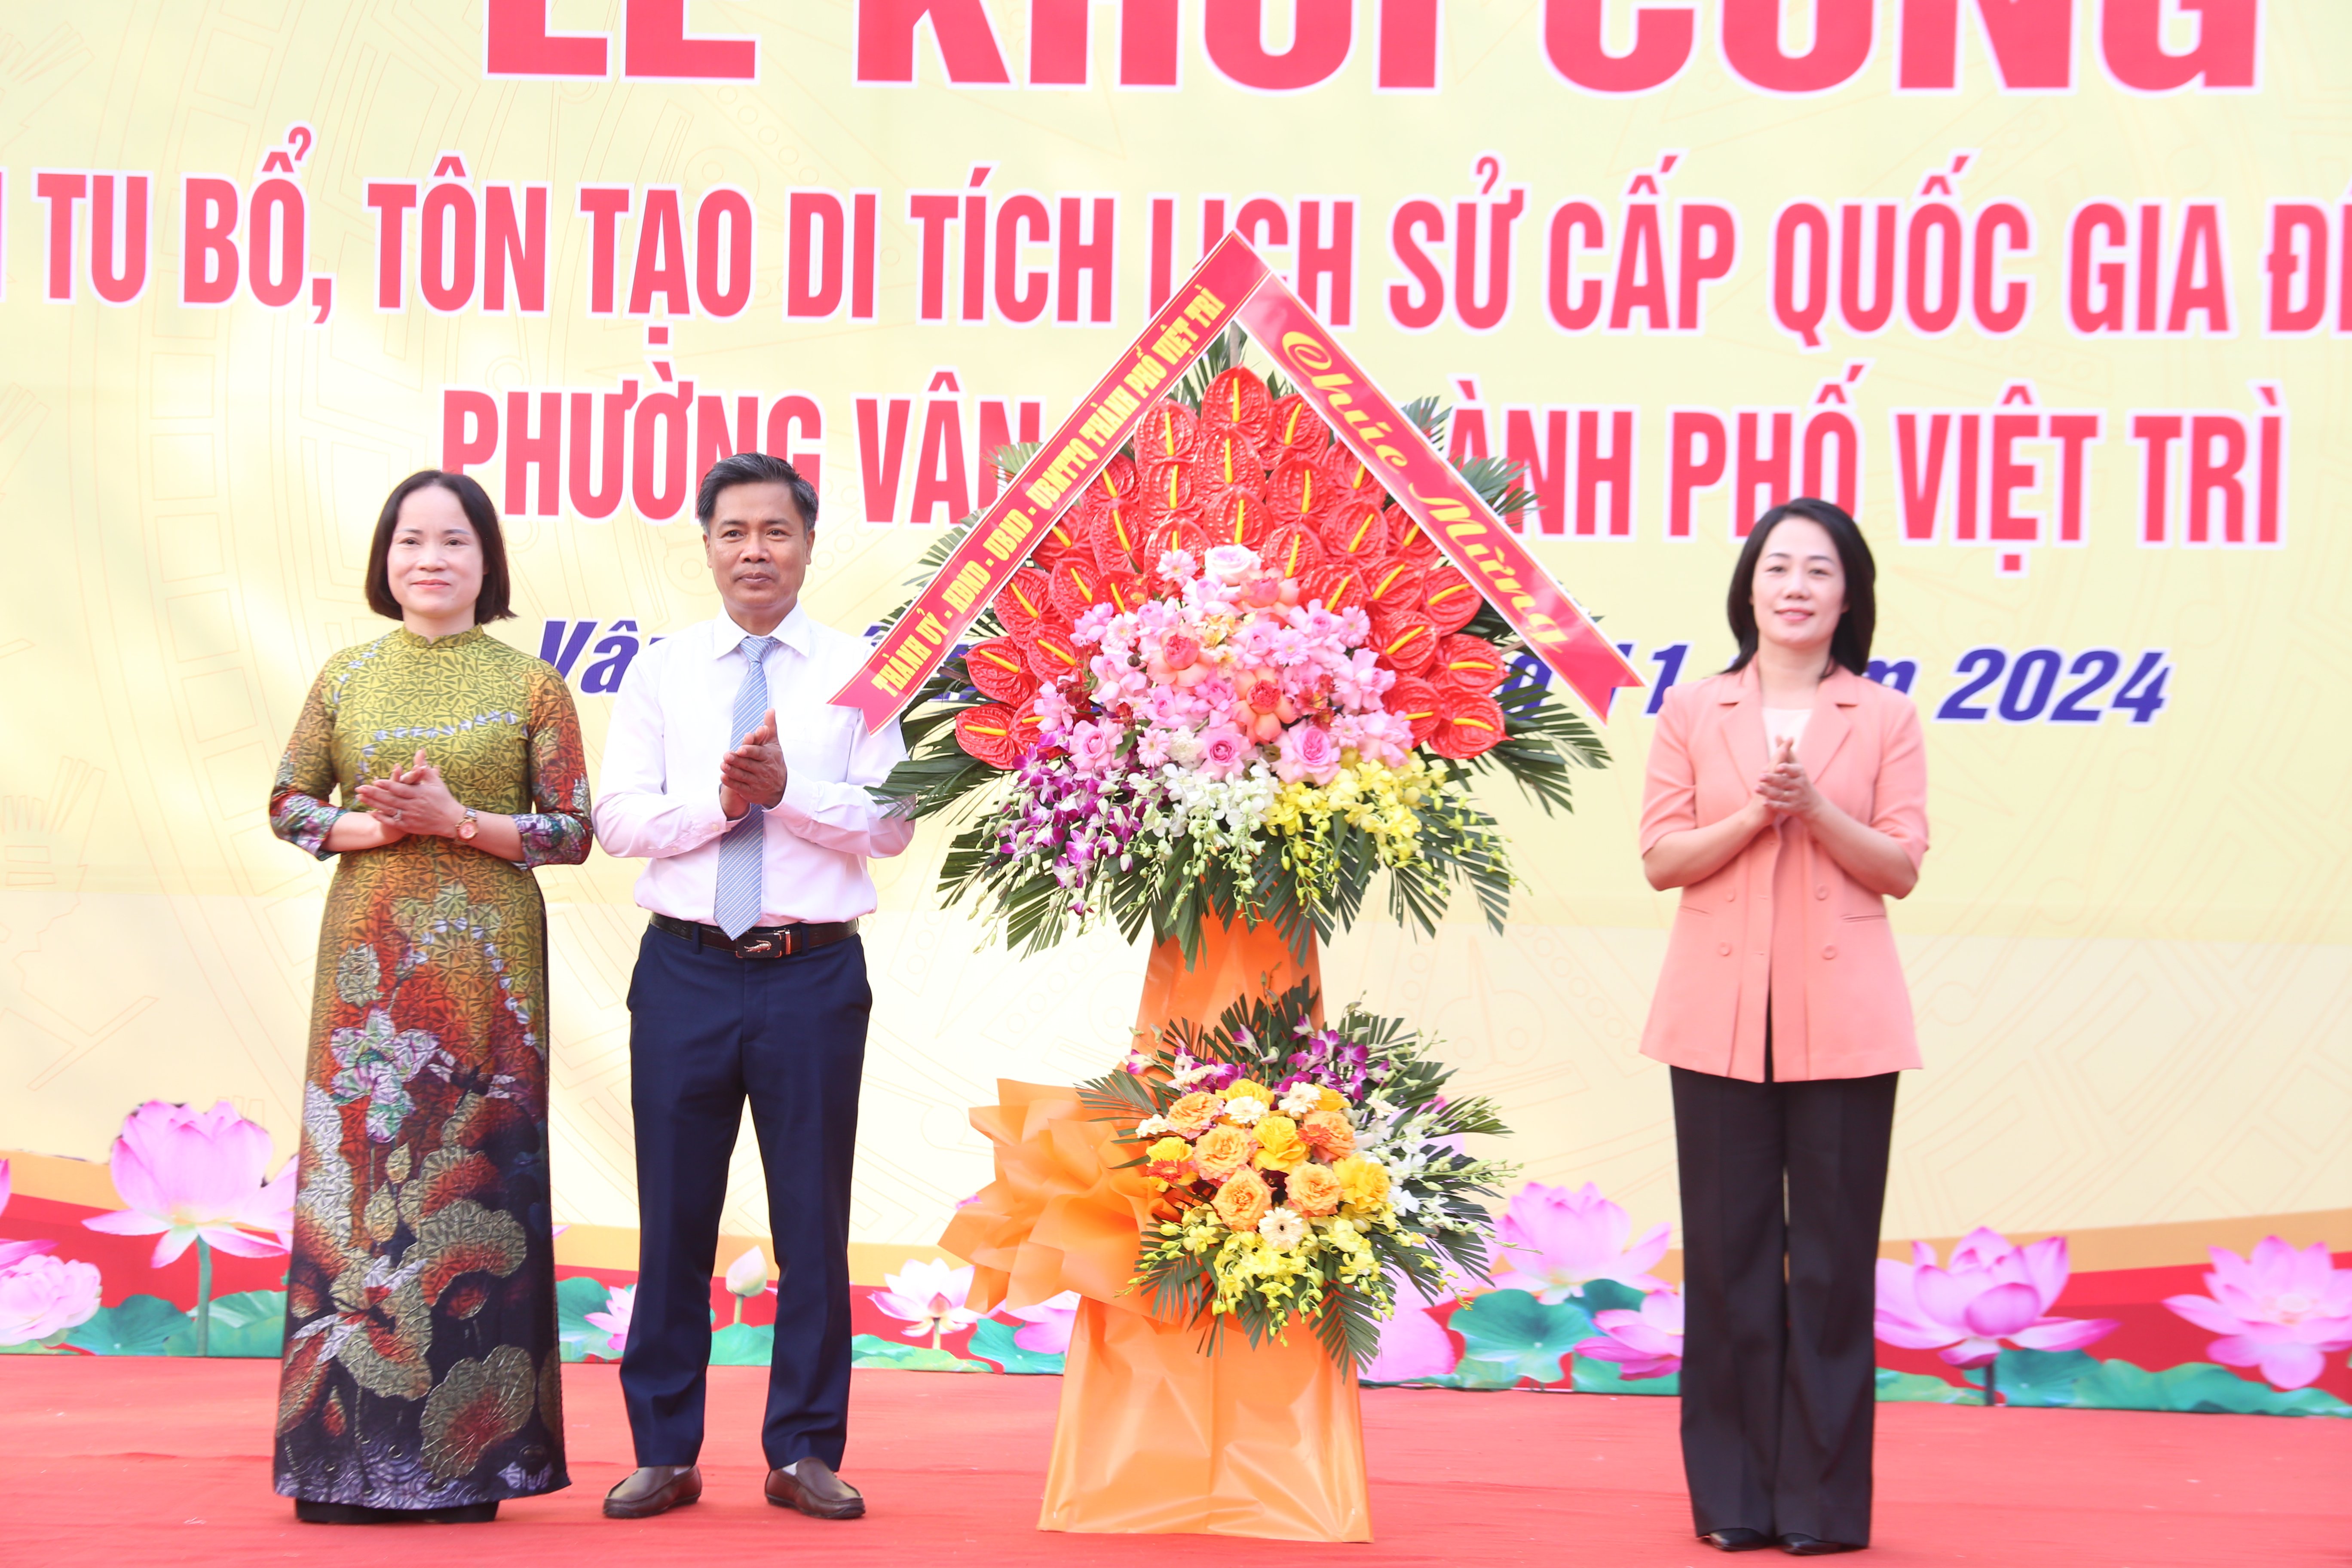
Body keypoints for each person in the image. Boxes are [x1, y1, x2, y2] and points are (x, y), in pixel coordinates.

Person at [591, 451, 913, 1523]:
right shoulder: (663, 670)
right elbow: (620, 820)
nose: (755, 552)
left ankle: (805, 1451)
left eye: (777, 532)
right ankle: (664, 1451)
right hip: (683, 970)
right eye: (734, 532)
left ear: (811, 545)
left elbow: (892, 823)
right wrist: (725, 810)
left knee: (812, 1222)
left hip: (811, 972)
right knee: (673, 1218)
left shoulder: (862, 671)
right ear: (708, 546)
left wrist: (792, 793)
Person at [268, 470, 592, 1523]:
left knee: (475, 1190)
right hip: (369, 967)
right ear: (386, 559)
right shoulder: (346, 675)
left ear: (487, 562)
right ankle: (338, 1465)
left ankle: (472, 1467)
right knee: (362, 1190)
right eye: (411, 541)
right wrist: (380, 828)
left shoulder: (535, 684)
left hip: (487, 974)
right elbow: (287, 803)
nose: (432, 560)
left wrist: (456, 819)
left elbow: (571, 832)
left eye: (454, 541)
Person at [1636, 498, 1928, 1557]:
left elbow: (1899, 866)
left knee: (1838, 1269)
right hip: (1716, 1023)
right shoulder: (1695, 709)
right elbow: (1663, 857)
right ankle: (1735, 1502)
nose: (1796, 587)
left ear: (1850, 597)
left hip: (1847, 1027)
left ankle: (1820, 1511)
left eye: (1819, 571)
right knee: (1727, 1265)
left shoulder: (1884, 717)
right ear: (1748, 589)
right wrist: (1757, 813)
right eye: (1777, 569)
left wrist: (1817, 808)